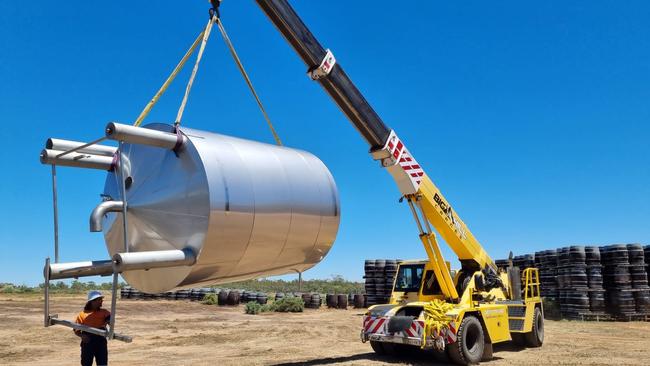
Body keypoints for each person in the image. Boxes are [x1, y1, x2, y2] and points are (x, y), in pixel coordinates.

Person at [74, 290, 110, 366]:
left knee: (102, 363)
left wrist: (106, 323)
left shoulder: (104, 312)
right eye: (99, 300)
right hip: (88, 342)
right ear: (92, 301)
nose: (101, 302)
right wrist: (82, 336)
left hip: (101, 341)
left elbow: (109, 319)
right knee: (86, 363)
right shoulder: (82, 315)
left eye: (101, 300)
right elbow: (76, 330)